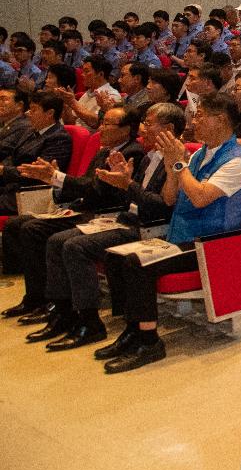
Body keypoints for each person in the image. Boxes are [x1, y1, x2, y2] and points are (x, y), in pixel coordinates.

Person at [100, 92, 241, 372]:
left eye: (199, 116)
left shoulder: (237, 162)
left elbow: (199, 197)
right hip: (180, 235)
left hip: (209, 245)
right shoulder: (198, 154)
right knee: (117, 255)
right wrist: (174, 167)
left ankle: (150, 342)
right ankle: (133, 329)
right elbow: (170, 198)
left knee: (137, 263)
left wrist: (177, 163)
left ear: (219, 120)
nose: (193, 121)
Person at [1, 105, 144, 338]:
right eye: (103, 122)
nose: (102, 128)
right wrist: (55, 182)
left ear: (126, 129)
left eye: (108, 124)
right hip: (83, 208)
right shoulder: (103, 151)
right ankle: (42, 300)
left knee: (49, 236)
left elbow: (96, 191)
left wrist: (57, 178)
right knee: (20, 225)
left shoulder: (133, 152)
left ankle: (72, 312)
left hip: (105, 215)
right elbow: (85, 187)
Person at [0, 90, 73, 215]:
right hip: (10, 185)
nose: (28, 113)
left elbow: (38, 173)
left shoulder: (59, 137)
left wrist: (3, 170)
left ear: (50, 113)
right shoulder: (30, 131)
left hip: (31, 193)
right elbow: (13, 157)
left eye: (34, 110)